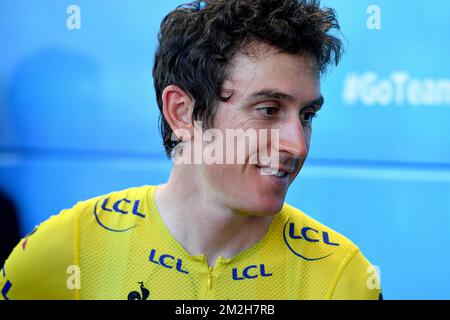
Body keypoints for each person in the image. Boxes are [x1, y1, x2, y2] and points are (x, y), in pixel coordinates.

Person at [1, 0, 382, 300]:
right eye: (268, 110)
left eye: (307, 115)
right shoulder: (69, 250)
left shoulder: (341, 276)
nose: (296, 144)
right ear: (182, 113)